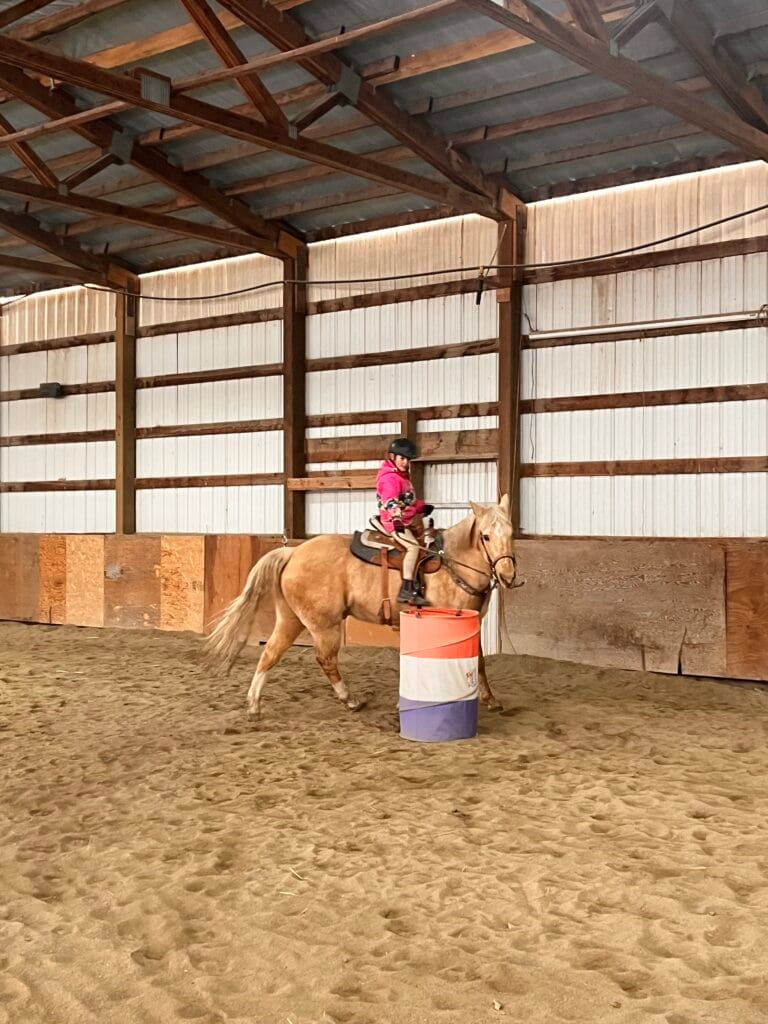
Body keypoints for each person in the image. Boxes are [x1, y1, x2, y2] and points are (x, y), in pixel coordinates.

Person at [375, 437, 434, 607]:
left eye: (408, 459)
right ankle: (406, 589)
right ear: (392, 457)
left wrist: (422, 507)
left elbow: (409, 500)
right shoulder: (390, 479)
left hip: (407, 520)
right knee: (413, 547)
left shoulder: (403, 477)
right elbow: (390, 501)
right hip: (394, 522)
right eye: (402, 458)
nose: (406, 462)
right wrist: (397, 520)